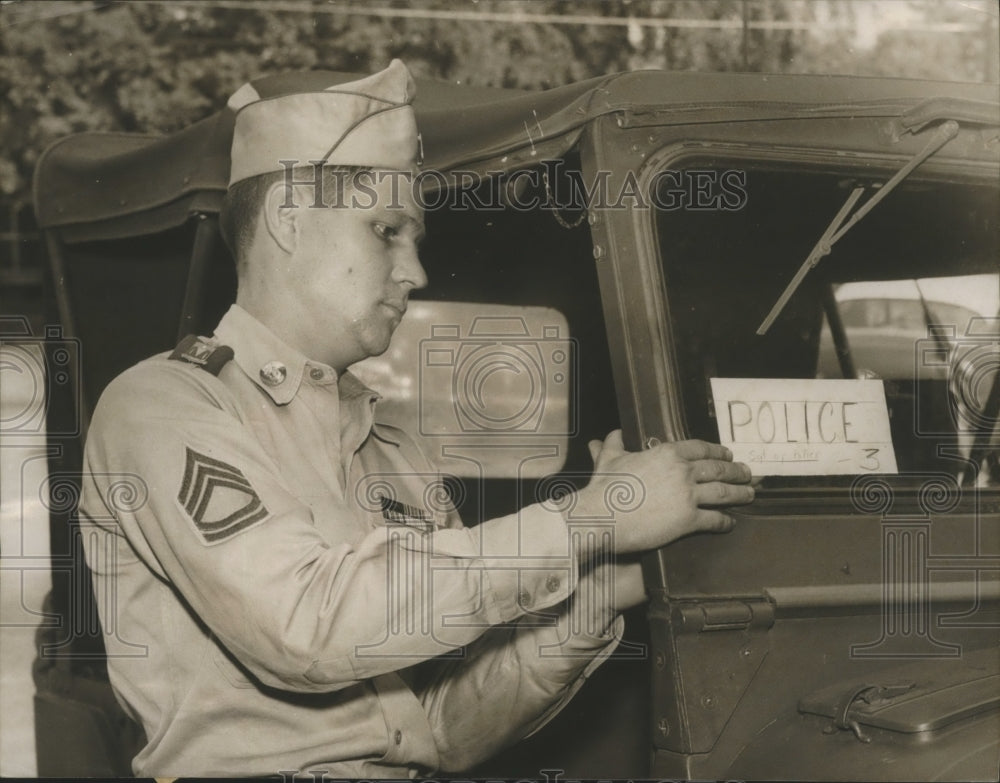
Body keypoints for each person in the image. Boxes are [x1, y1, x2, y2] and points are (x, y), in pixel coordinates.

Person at [79, 60, 755, 778]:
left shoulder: (391, 446)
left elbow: (441, 729)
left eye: (415, 239)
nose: (416, 271)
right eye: (386, 230)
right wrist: (589, 520)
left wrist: (592, 595)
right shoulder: (165, 406)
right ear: (287, 218)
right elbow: (308, 627)